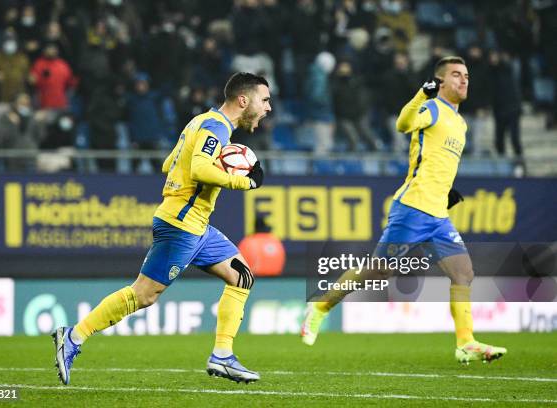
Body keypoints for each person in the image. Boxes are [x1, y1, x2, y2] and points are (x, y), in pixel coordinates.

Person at [53, 72, 271, 385]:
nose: (268, 107)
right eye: (264, 100)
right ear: (243, 100)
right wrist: (243, 180)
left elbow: (169, 163)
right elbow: (198, 168)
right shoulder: (217, 127)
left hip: (198, 225)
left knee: (242, 276)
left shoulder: (200, 122)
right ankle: (73, 336)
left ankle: (222, 354)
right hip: (180, 225)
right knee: (144, 295)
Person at [300, 57, 508, 364]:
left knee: (463, 272)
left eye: (466, 75)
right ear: (440, 82)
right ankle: (320, 306)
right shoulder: (432, 107)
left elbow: (435, 160)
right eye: (455, 75)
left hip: (437, 214)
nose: (464, 80)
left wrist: (444, 191)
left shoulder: (461, 124)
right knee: (379, 269)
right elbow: (402, 124)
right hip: (412, 208)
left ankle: (466, 342)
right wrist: (421, 95)